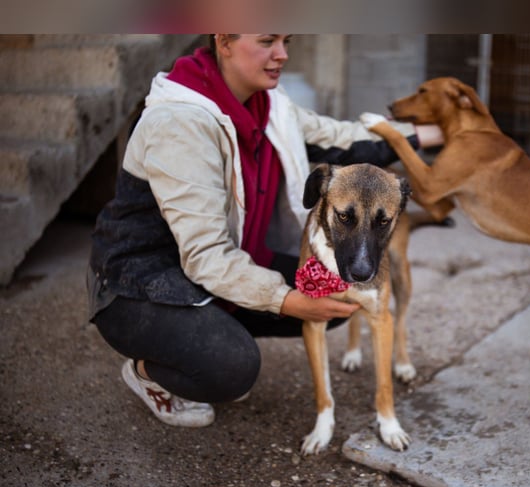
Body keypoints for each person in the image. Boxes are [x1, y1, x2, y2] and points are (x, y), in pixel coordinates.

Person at [87, 34, 444, 427]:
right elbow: (206, 256)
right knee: (232, 367)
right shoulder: (179, 123)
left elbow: (343, 140)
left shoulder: (271, 106)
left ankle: (210, 336)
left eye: (286, 40)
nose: (282, 54)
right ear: (224, 41)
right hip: (138, 282)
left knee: (335, 292)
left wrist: (438, 133)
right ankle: (148, 372)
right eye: (267, 41)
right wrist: (287, 300)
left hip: (224, 264)